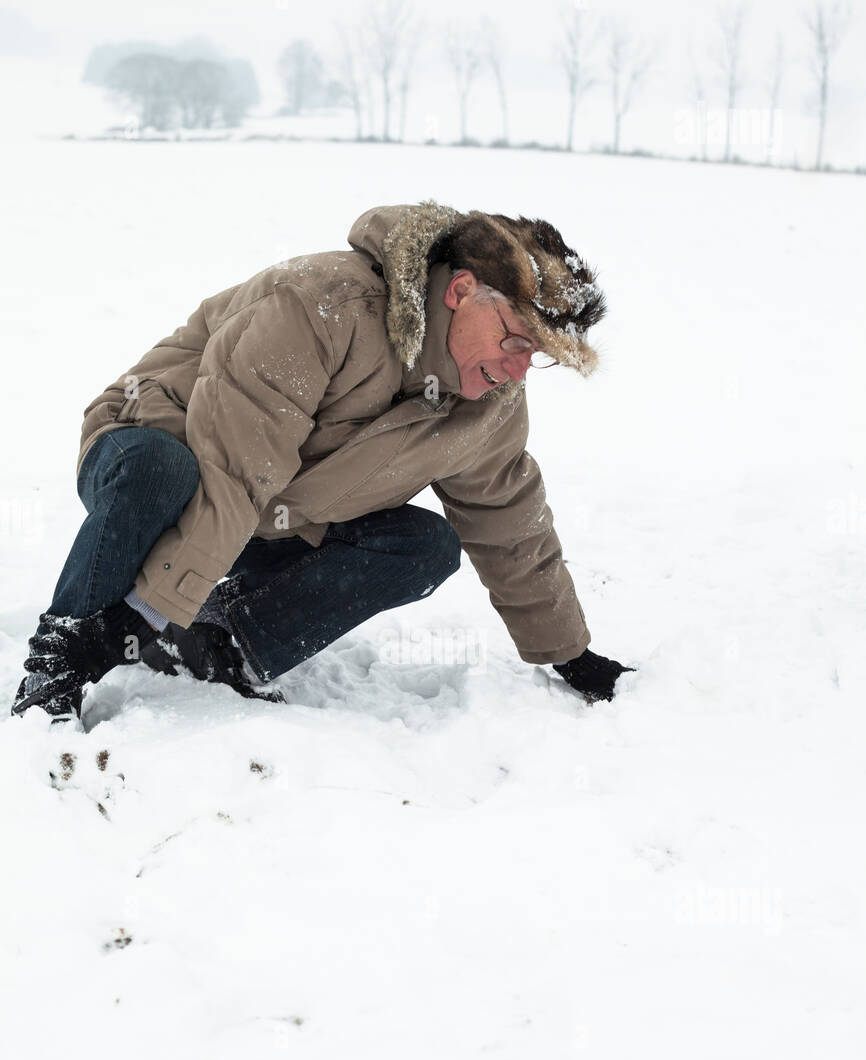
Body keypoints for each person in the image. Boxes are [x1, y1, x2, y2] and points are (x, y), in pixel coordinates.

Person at [12, 200, 634, 725]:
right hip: (157, 450)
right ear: (463, 289)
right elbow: (233, 467)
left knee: (423, 544)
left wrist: (568, 653)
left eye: (540, 355)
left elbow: (507, 516)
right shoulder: (323, 306)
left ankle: (221, 644)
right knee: (163, 473)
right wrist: (131, 621)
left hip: (272, 507)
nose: (520, 366)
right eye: (516, 338)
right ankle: (61, 651)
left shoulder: (487, 399)